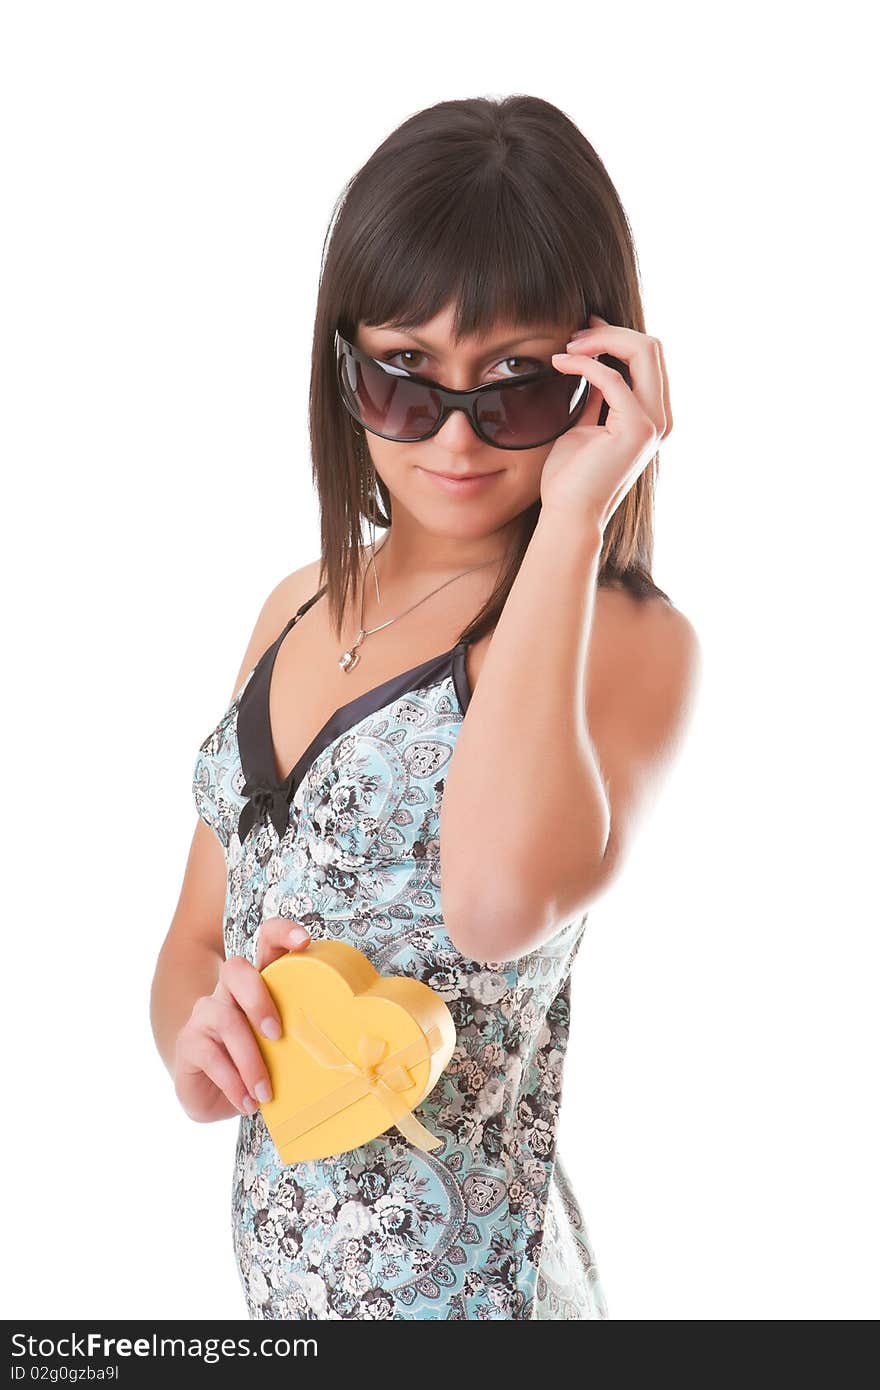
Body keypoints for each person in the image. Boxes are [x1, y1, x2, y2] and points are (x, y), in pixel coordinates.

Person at [150, 93, 700, 1320]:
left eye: (511, 386)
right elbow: (197, 939)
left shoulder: (625, 636)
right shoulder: (295, 605)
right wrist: (204, 1042)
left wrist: (573, 519)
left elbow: (496, 903)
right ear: (342, 364)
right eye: (405, 378)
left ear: (597, 375)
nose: (454, 437)